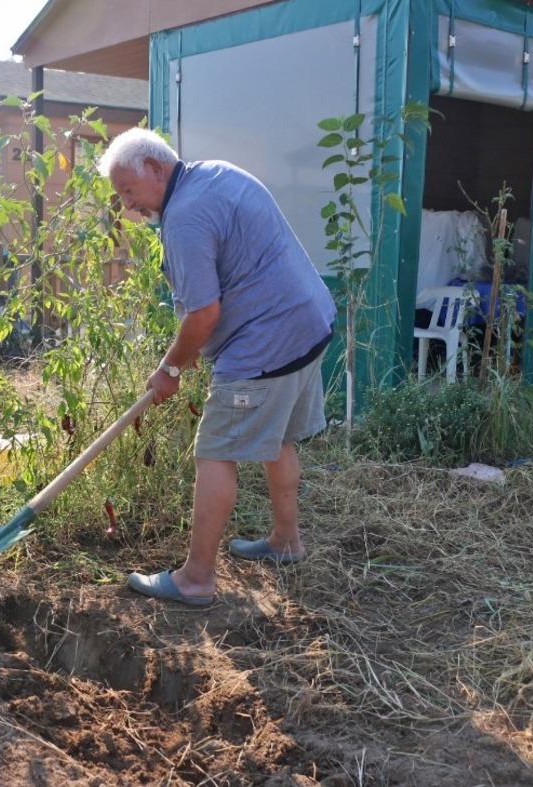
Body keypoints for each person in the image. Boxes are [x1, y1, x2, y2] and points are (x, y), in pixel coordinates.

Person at [97, 129, 336, 607]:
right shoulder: (216, 174)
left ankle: (196, 579)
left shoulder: (183, 218)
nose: (128, 206)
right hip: (309, 323)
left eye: (128, 191)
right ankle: (286, 541)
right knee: (278, 438)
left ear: (156, 169)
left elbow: (203, 313)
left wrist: (169, 369)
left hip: (266, 344)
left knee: (214, 453)